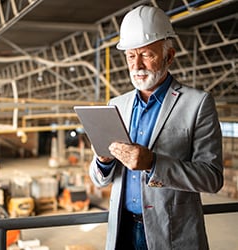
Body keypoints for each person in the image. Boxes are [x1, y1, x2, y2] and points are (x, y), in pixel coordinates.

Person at [89, 5, 223, 250]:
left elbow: (212, 178)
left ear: (169, 56)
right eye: (131, 56)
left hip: (171, 233)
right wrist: (103, 161)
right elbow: (98, 180)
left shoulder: (197, 104)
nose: (137, 65)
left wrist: (153, 163)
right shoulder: (116, 105)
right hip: (122, 231)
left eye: (147, 55)